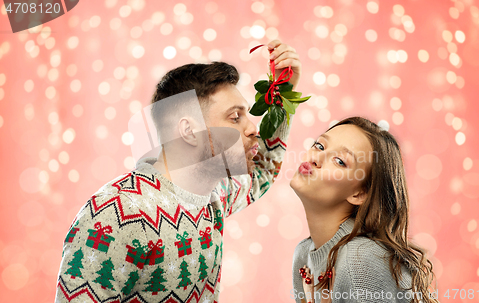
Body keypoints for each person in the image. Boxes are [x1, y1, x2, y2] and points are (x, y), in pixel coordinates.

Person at [55, 40, 301, 302]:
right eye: (235, 117)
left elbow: (261, 171)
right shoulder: (114, 214)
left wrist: (283, 92)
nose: (253, 128)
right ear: (188, 132)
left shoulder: (214, 194)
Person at [290, 117, 439, 303]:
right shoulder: (303, 255)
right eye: (319, 146)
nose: (316, 158)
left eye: (339, 161)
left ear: (359, 193)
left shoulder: (360, 260)